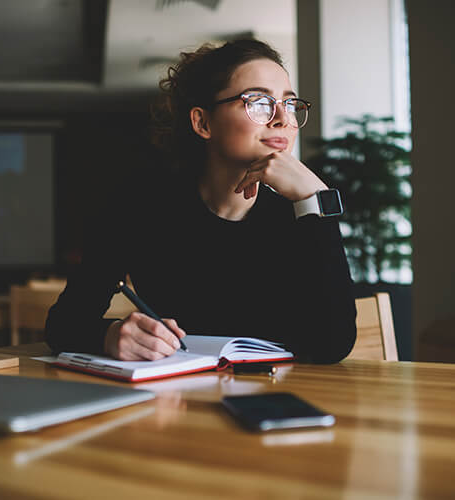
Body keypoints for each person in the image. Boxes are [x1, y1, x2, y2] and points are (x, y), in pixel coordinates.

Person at [45, 39, 357, 364]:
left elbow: (332, 345)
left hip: (278, 399)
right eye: (259, 101)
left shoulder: (300, 217)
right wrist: (109, 336)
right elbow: (63, 325)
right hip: (174, 401)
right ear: (203, 123)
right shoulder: (139, 207)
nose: (282, 118)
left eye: (289, 104)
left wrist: (315, 201)